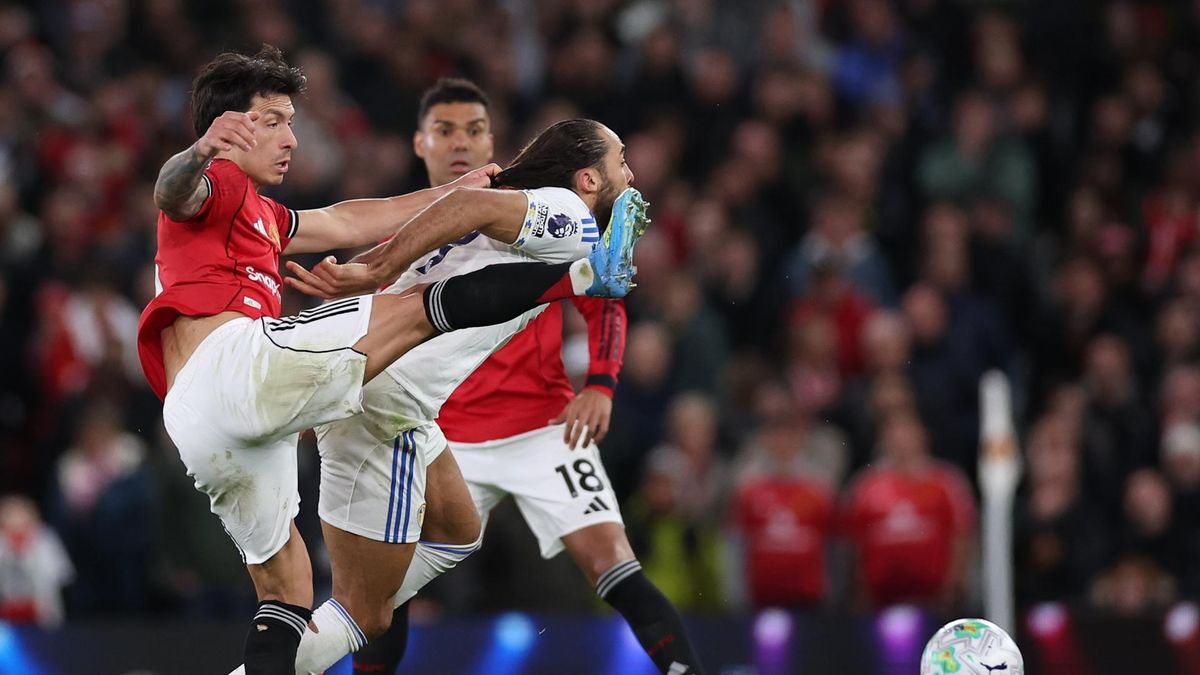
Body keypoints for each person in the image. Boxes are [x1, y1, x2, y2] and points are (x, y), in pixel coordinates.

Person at [138, 46, 644, 675]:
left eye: (292, 122)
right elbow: (173, 193)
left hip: (204, 422)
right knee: (411, 311)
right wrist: (198, 152)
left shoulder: (262, 214)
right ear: (230, 127)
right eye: (274, 122)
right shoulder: (219, 181)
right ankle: (582, 276)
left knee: (291, 594)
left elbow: (350, 218)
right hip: (236, 365)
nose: (292, 139)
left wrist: (449, 190)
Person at [342, 78, 705, 675]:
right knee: (386, 592)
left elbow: (603, 292)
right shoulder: (409, 233)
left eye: (474, 130)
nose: (461, 143)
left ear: (494, 141)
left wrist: (601, 383)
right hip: (442, 435)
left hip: (543, 427)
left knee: (616, 566)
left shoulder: (541, 218)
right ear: (419, 143)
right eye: (445, 131)